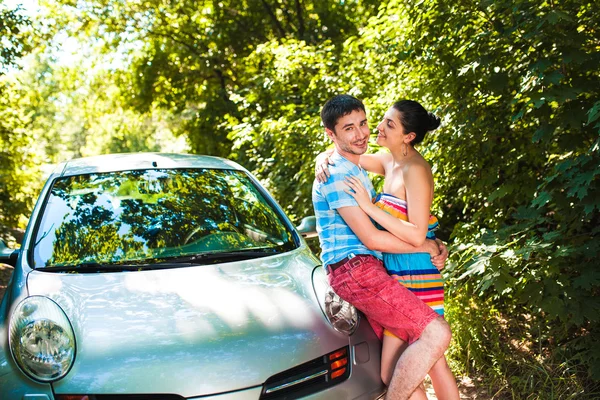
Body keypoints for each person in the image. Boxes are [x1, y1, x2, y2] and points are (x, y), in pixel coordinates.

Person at [312, 94, 452, 400]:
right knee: (432, 339)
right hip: (361, 269)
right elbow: (373, 238)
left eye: (364, 123)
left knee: (406, 367)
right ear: (332, 133)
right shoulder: (348, 171)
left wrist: (430, 244)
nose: (366, 131)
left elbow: (416, 228)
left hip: (394, 269)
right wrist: (323, 155)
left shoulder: (376, 168)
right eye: (349, 128)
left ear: (408, 135)